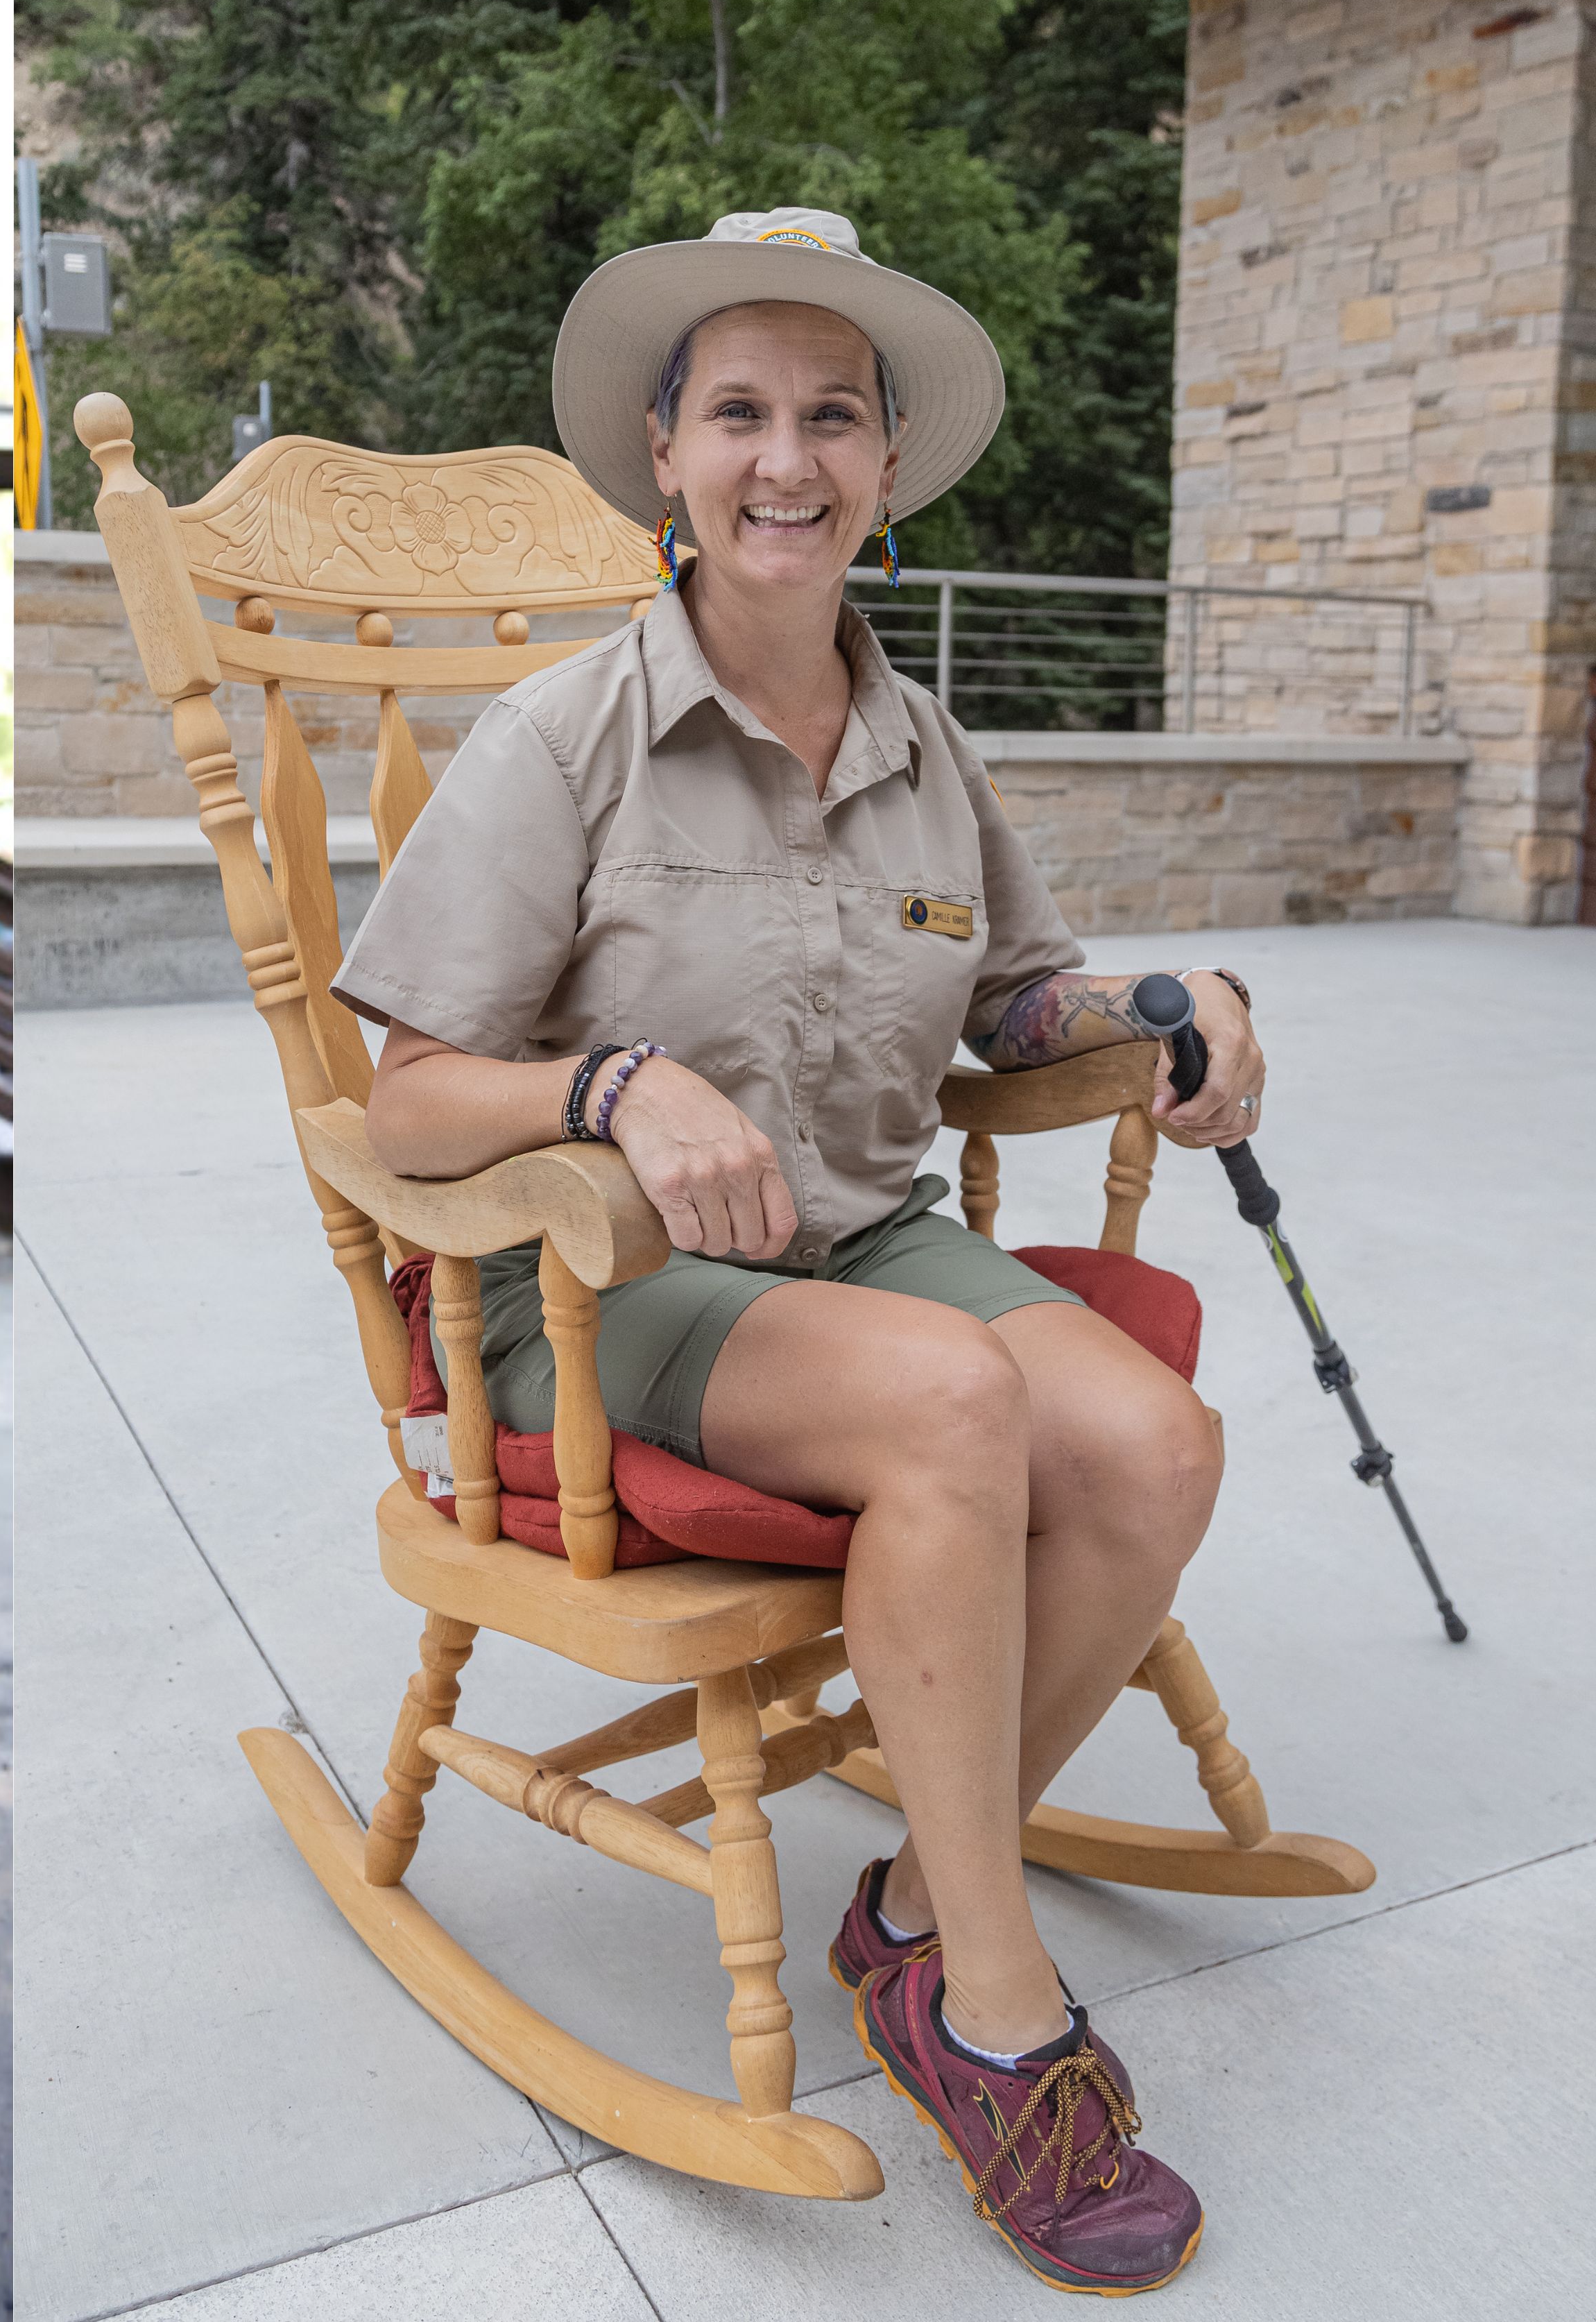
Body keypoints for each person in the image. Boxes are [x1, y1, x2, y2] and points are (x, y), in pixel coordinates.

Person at [333, 208, 1263, 2297]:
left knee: (1155, 1449)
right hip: (585, 1285)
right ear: (662, 453)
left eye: (829, 417)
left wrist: (1161, 1006)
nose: (786, 459)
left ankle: (913, 1906)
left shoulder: (927, 751)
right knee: (954, 1407)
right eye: (736, 411)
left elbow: (1013, 1009)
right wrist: (608, 1089)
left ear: (887, 464)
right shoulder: (567, 739)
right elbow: (400, 1100)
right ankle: (990, 2010)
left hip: (855, 1242)